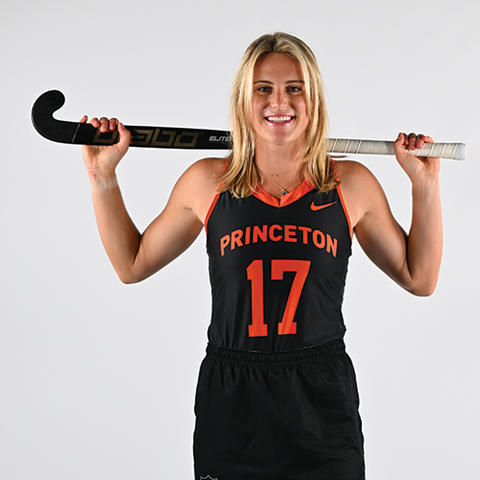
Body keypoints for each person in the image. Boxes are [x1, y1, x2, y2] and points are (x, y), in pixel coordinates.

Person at [80, 32, 442, 480]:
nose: (279, 102)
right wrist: (102, 177)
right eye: (263, 89)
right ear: (244, 99)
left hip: (319, 399)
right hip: (233, 396)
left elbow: (419, 277)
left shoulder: (349, 183)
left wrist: (423, 186)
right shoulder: (208, 181)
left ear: (314, 99)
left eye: (295, 88)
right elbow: (131, 265)